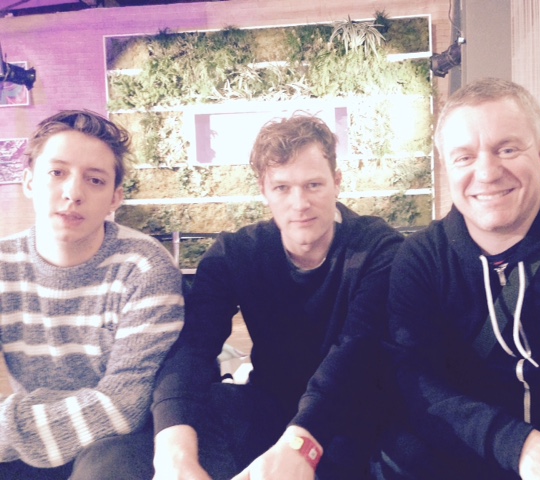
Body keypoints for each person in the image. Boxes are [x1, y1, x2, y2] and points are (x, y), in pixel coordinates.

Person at [374, 77, 540, 480]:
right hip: (479, 450)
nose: (486, 172)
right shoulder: (422, 260)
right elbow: (415, 381)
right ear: (447, 168)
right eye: (464, 157)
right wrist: (518, 445)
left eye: (507, 149)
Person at [147, 113, 404, 480]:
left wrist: (300, 444)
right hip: (270, 407)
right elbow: (193, 346)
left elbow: (355, 352)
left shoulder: (378, 250)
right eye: (282, 187)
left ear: (337, 182)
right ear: (264, 190)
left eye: (313, 185)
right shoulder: (236, 253)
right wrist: (173, 451)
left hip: (357, 414)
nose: (299, 203)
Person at [0, 110, 184, 479]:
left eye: (95, 180)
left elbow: (125, 407)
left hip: (120, 446)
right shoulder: (5, 266)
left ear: (115, 198)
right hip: (35, 438)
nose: (73, 193)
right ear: (29, 182)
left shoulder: (144, 268)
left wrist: (8, 425)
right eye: (57, 173)